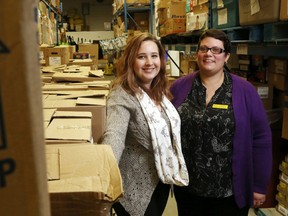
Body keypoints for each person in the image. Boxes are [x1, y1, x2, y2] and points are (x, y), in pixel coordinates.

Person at [170, 29, 272, 216]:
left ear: (226, 57)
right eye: (204, 49)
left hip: (229, 193)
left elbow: (261, 139)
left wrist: (259, 185)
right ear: (197, 53)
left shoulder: (245, 91)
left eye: (216, 50)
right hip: (187, 189)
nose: (209, 54)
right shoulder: (179, 87)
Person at [99, 32, 189, 215]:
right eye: (142, 57)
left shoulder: (159, 91)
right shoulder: (122, 95)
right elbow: (114, 135)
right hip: (135, 188)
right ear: (131, 61)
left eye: (154, 56)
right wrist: (104, 177)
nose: (149, 62)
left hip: (161, 181)